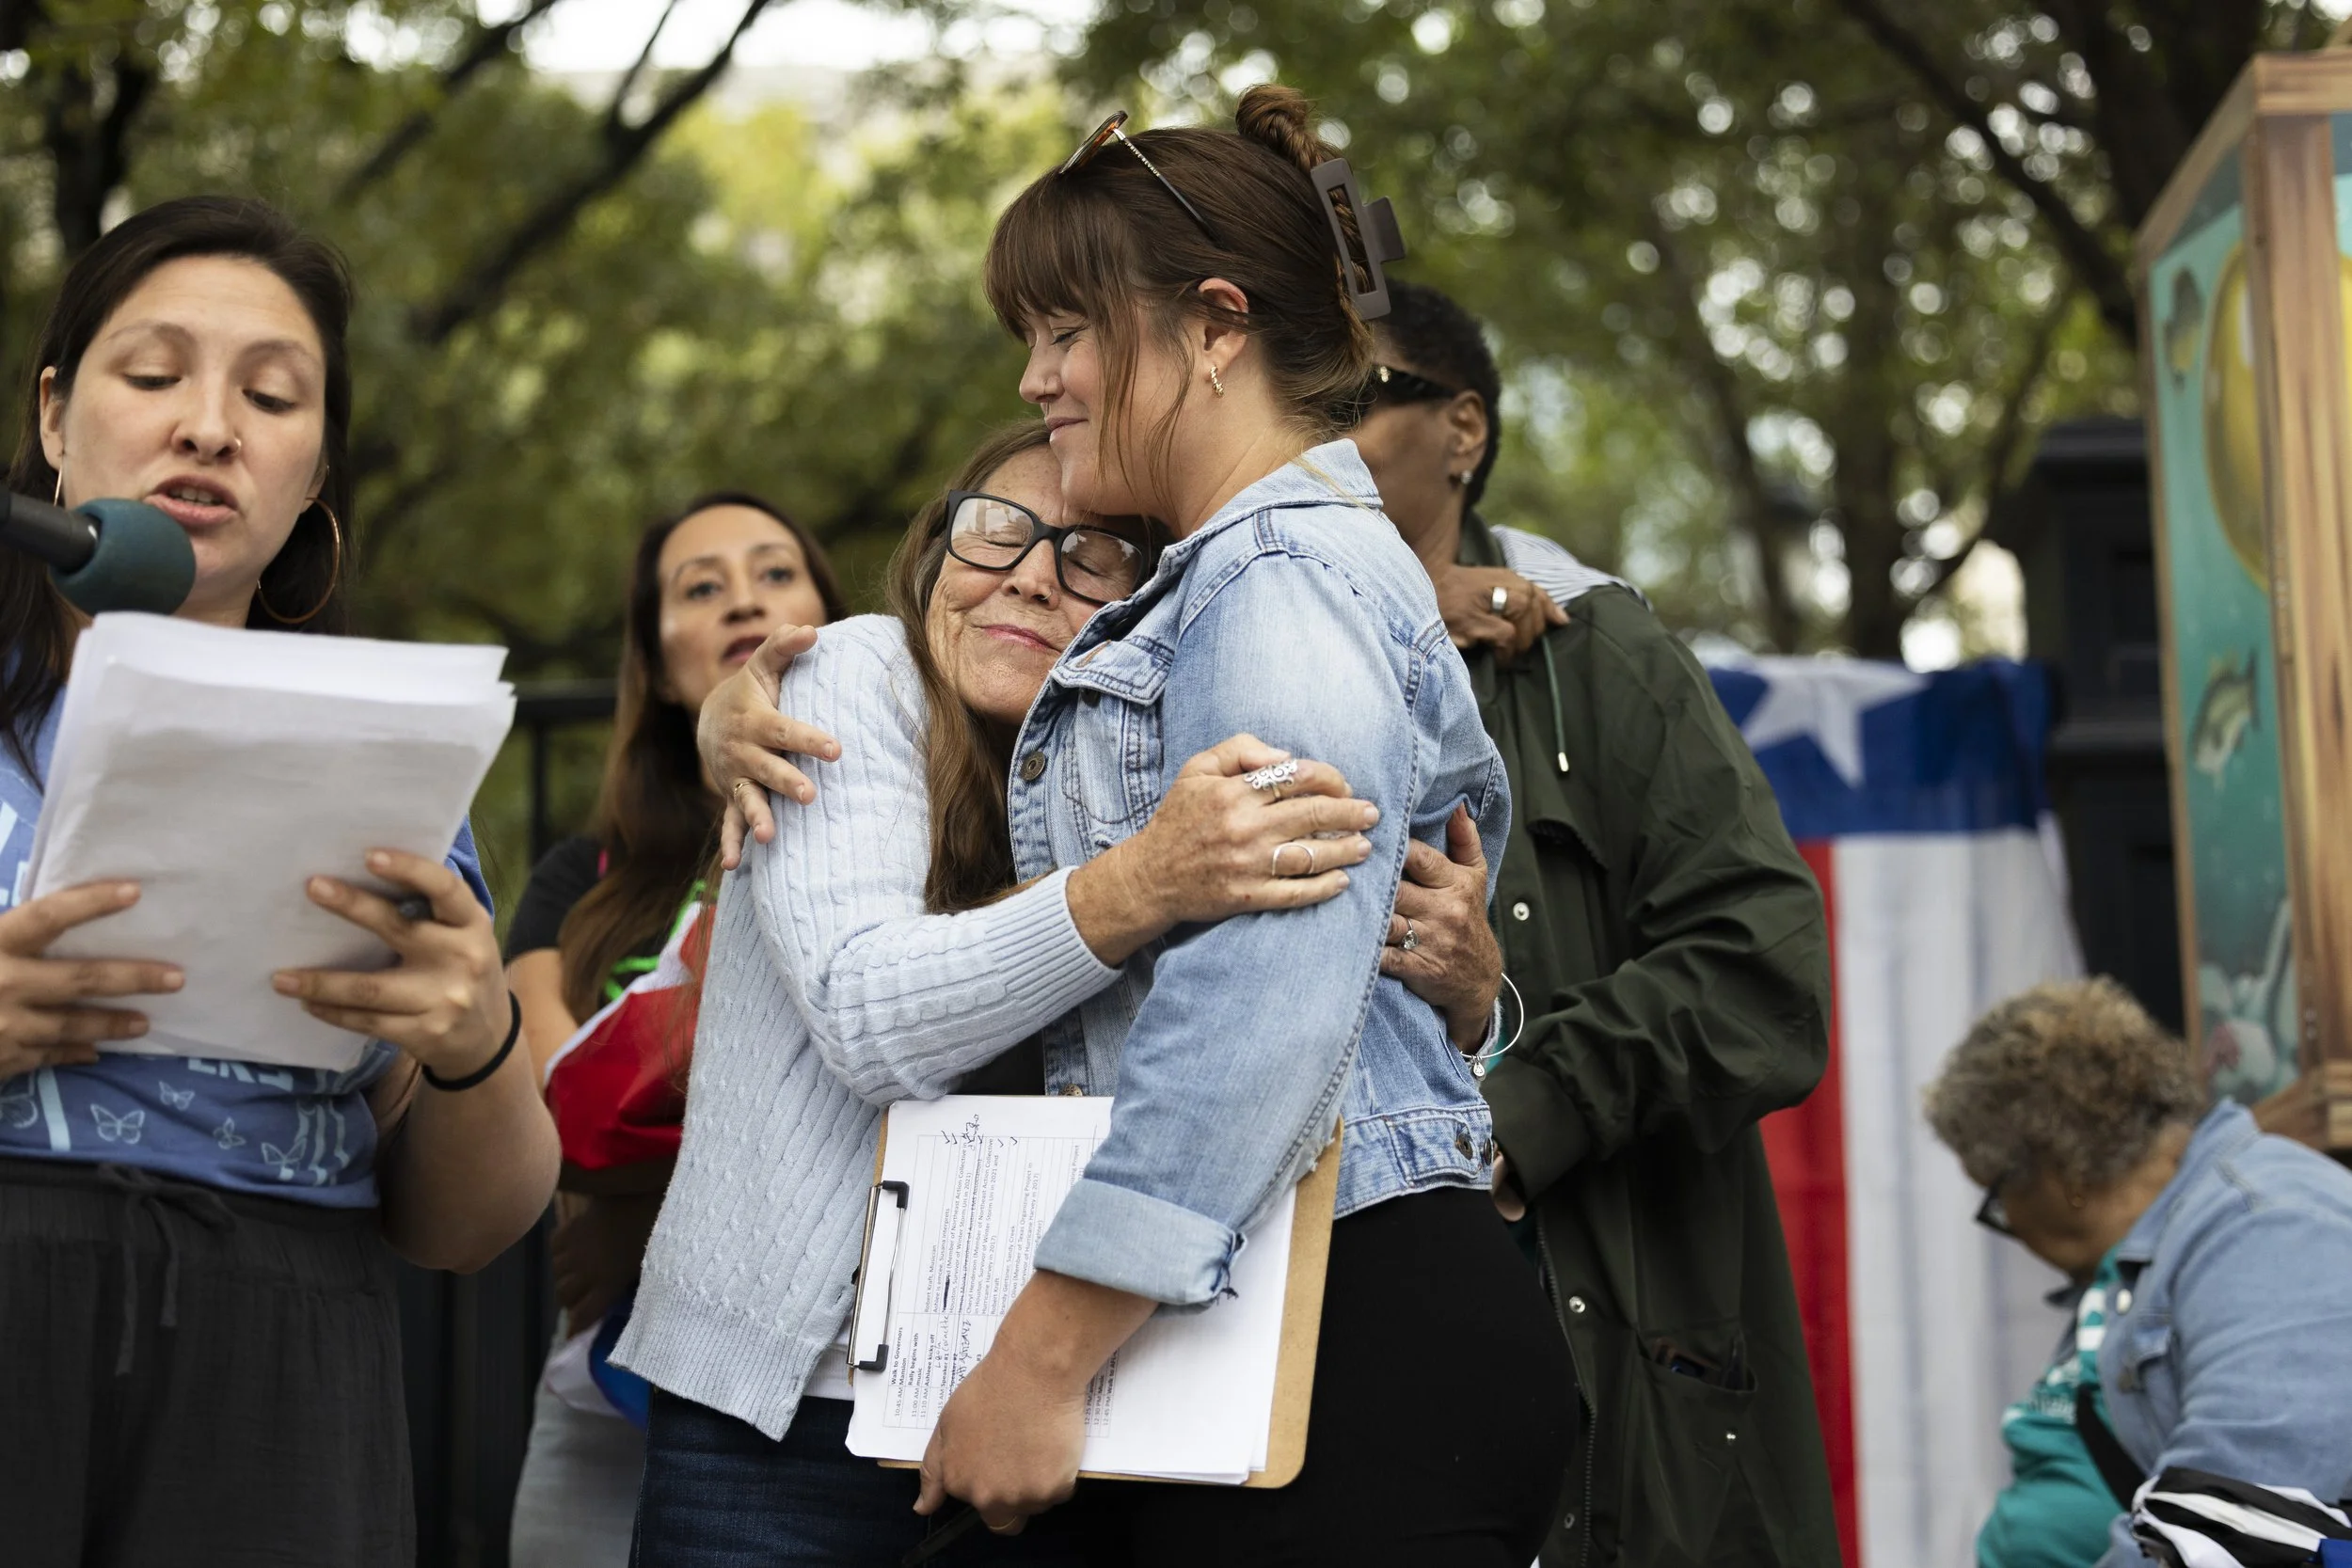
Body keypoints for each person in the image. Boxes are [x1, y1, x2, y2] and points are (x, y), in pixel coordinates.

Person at [882, 87, 1571, 1564]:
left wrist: (1044, 1352)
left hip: (1351, 1323)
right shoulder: (1264, 570)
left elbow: (1261, 998)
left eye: (1067, 329)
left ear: (1211, 325)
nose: (1039, 376)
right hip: (1300, 1308)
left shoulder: (1277, 577)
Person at [622, 419, 1503, 1565]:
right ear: (935, 551)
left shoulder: (1150, 753)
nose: (1031, 573)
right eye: (994, 532)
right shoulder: (853, 674)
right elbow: (865, 1014)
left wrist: (1480, 1004)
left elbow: (1283, 1052)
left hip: (1054, 1396)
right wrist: (1143, 881)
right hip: (792, 1416)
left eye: (1093, 555)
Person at [0, 196, 557, 1566]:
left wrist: (478, 1045)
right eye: (154, 375)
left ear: (312, 474)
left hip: (284, 1361)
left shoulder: (397, 766)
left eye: (272, 394)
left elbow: (466, 1225)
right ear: (56, 416)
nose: (209, 425)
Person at [1346, 280, 1841, 1567]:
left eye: (1356, 399)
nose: (1313, 439)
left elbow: (1763, 972)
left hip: (1596, 1359)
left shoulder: (1591, 650)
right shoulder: (1222, 651)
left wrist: (1514, 1112)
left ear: (1462, 429)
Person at [504, 492, 846, 1568]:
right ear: (656, 662)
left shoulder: (913, 844)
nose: (745, 597)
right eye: (702, 586)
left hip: (817, 1397)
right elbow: (544, 1113)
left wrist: (640, 1209)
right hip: (601, 1392)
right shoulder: (579, 881)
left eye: (775, 572)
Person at [1926, 978, 2352, 1568]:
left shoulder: (2272, 1225)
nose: (2011, 1227)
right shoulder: (2159, 1253)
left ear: (2061, 1170)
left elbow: (2237, 1527)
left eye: (1997, 1198)